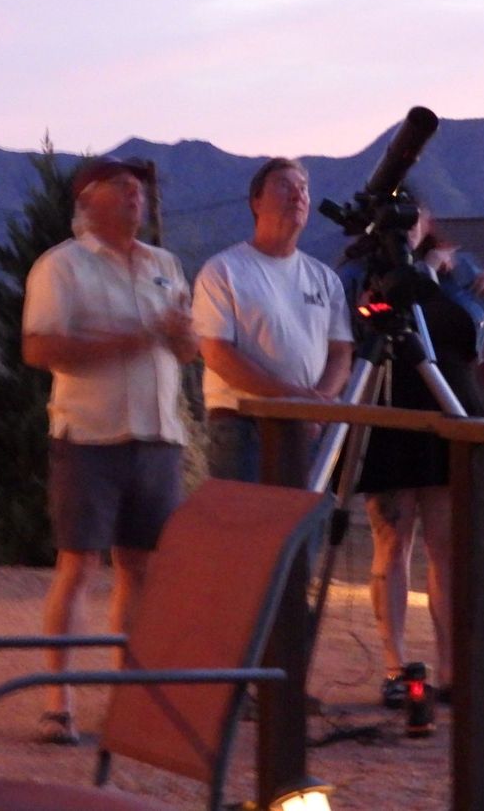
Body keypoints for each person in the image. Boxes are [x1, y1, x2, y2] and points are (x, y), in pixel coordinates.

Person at [21, 156, 197, 745]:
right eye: (122, 189)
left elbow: (187, 350)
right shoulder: (61, 267)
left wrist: (182, 337)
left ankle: (132, 695)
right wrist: (135, 337)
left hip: (158, 435)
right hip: (89, 437)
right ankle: (57, 702)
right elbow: (39, 347)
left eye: (139, 190)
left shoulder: (165, 265)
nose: (135, 198)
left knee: (142, 568)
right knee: (79, 567)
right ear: (88, 200)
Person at [349, 202, 484, 708]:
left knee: (447, 549)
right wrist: (415, 274)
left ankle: (452, 670)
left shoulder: (462, 267)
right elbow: (361, 323)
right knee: (393, 542)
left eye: (415, 214)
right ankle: (395, 666)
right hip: (392, 405)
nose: (408, 224)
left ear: (427, 220)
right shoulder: (365, 270)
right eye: (397, 215)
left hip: (454, 404)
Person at [192, 157, 352, 483]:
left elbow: (341, 352)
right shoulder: (224, 270)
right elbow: (217, 353)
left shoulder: (324, 278)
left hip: (307, 427)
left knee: (301, 529)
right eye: (284, 185)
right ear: (256, 202)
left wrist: (317, 406)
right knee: (247, 529)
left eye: (303, 189)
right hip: (243, 425)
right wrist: (290, 398)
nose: (298, 195)